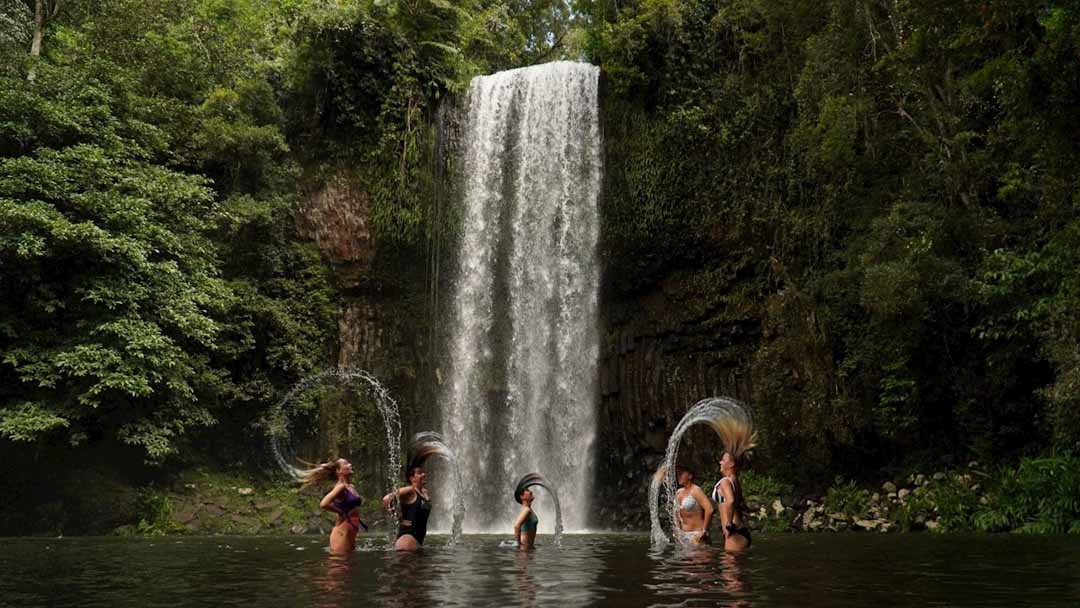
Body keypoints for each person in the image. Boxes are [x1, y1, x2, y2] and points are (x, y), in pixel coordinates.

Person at [301, 458, 365, 555]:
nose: (350, 465)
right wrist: (341, 512)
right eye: (346, 464)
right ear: (338, 471)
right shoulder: (340, 487)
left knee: (349, 560)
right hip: (342, 532)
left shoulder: (350, 486)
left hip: (351, 529)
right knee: (340, 561)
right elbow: (323, 504)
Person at [382, 464, 431, 551]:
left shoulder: (424, 492)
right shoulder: (410, 490)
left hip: (417, 539)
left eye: (423, 472)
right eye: (420, 473)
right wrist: (399, 518)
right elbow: (386, 499)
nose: (424, 474)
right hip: (407, 539)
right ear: (412, 478)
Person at [713, 452, 752, 551]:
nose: (720, 462)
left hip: (733, 531)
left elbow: (731, 501)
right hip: (738, 530)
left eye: (723, 460)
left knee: (729, 560)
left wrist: (729, 523)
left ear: (731, 464)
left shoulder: (725, 482)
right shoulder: (734, 480)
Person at [674, 465, 713, 545]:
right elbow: (675, 514)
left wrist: (704, 531)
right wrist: (678, 531)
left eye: (681, 474)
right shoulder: (679, 492)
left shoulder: (696, 490)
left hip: (697, 535)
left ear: (690, 476)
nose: (679, 476)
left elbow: (709, 509)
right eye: (678, 474)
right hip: (683, 536)